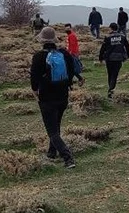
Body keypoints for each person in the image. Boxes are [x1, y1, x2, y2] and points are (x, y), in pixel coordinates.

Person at [30, 27, 76, 169]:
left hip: (47, 98)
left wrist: (35, 91)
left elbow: (34, 78)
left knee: (52, 130)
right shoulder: (64, 54)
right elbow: (71, 72)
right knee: (56, 125)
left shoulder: (38, 57)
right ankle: (51, 152)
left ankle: (68, 158)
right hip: (63, 96)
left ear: (42, 41)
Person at [99, 23, 129, 99]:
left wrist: (101, 57)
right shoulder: (122, 37)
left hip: (109, 58)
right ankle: (111, 89)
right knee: (115, 74)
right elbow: (127, 46)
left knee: (110, 74)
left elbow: (103, 48)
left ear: (111, 28)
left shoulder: (107, 37)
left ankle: (110, 89)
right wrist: (127, 55)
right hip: (119, 58)